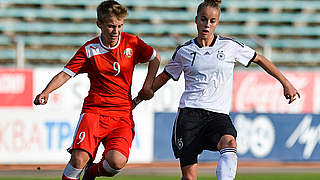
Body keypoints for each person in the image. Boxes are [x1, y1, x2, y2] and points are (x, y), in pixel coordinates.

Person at [134, 0, 300, 180]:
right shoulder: (184, 51)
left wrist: (286, 83)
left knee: (230, 144)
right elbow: (165, 76)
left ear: (217, 23)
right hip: (189, 116)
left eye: (212, 21)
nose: (207, 24)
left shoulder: (229, 47)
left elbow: (259, 59)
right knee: (189, 177)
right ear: (196, 20)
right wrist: (138, 99)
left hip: (218, 115)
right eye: (203, 19)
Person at [33, 1, 161, 180]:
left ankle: (90, 174)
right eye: (110, 26)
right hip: (95, 112)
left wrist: (147, 86)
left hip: (122, 115)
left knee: (116, 162)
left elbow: (155, 58)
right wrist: (46, 92)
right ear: (99, 24)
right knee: (78, 159)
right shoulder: (89, 49)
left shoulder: (132, 42)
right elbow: (65, 74)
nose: (116, 31)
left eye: (119, 26)